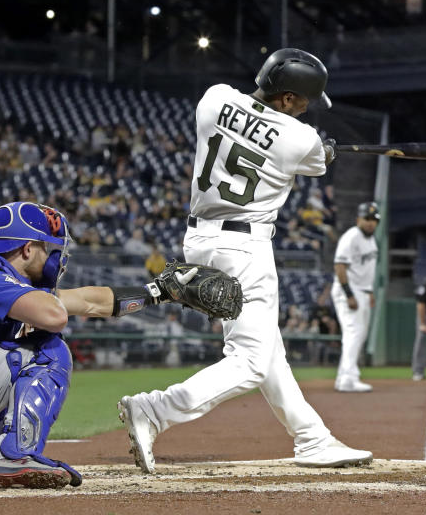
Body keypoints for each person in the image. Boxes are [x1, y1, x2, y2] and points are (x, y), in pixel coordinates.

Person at [117, 48, 372, 473]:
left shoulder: (214, 98)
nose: (308, 107)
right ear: (287, 98)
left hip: (198, 239)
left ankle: (312, 438)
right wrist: (325, 150)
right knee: (250, 361)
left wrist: (312, 145)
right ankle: (156, 410)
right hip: (244, 249)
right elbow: (316, 158)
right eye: (304, 99)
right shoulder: (300, 138)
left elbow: (260, 128)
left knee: (266, 348)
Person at [0, 201, 197, 488]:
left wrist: (159, 292)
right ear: (27, 249)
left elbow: (90, 301)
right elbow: (54, 315)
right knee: (45, 350)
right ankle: (13, 455)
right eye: (45, 248)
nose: (54, 258)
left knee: (18, 381)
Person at [331, 201, 379, 392]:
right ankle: (348, 379)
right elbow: (339, 266)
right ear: (358, 219)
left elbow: (366, 269)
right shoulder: (351, 237)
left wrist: (370, 291)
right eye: (367, 218)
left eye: (374, 219)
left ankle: (345, 376)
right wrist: (349, 294)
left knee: (359, 335)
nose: (370, 223)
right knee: (353, 333)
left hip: (363, 290)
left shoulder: (371, 239)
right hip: (350, 290)